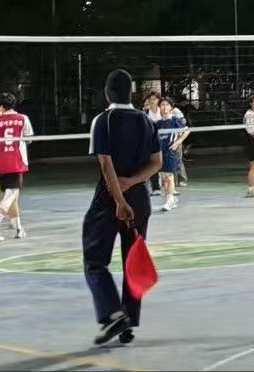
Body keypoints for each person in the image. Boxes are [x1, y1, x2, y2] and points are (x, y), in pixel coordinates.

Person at [84, 68, 162, 345]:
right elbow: (156, 162)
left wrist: (119, 200)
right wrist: (133, 181)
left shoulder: (103, 120)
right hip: (140, 197)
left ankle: (114, 313)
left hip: (109, 198)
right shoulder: (146, 121)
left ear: (107, 93)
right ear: (132, 93)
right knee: (133, 261)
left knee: (95, 261)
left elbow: (106, 163)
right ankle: (127, 322)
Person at [0, 92, 34, 241]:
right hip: (17, 162)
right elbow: (29, 138)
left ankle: (19, 229)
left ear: (1, 106)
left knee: (12, 196)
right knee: (10, 197)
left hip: (3, 162)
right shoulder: (23, 118)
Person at [156, 98, 188, 212]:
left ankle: (169, 200)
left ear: (171, 107)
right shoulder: (158, 123)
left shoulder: (175, 120)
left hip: (170, 152)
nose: (164, 107)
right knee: (164, 178)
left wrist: (178, 142)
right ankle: (171, 199)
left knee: (169, 177)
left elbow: (186, 130)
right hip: (160, 153)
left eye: (167, 105)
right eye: (162, 105)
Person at [141, 92, 162, 197]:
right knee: (153, 164)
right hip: (151, 142)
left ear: (159, 100)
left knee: (167, 165)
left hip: (165, 141)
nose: (152, 101)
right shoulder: (144, 113)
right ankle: (156, 187)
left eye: (155, 98)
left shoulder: (163, 110)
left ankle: (170, 187)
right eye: (150, 99)